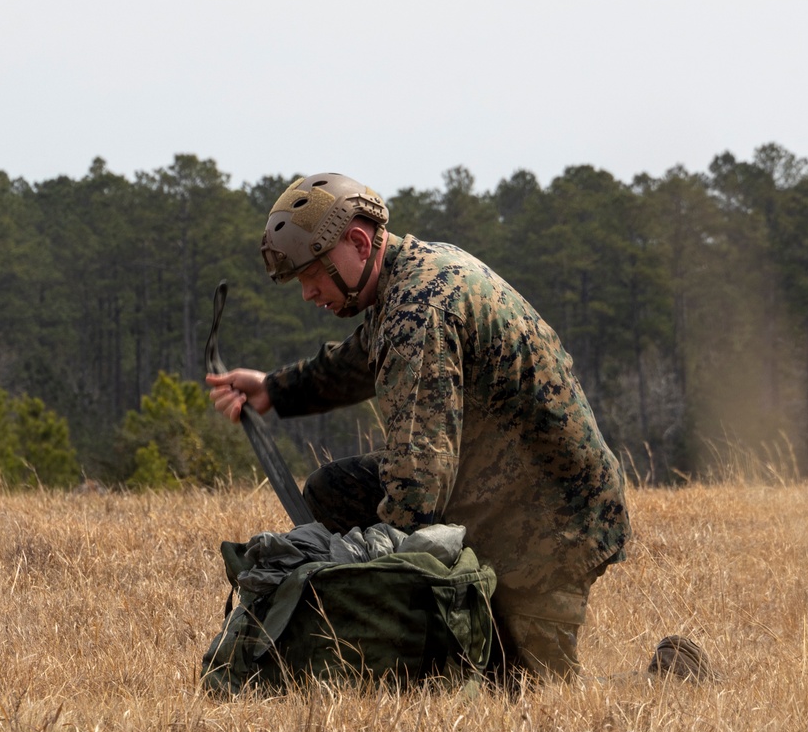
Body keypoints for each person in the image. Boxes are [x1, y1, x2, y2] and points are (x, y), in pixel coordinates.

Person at [207, 172, 631, 678]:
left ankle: (671, 675)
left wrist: (380, 594)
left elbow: (418, 480)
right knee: (333, 491)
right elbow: (357, 361)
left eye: (311, 275)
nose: (307, 293)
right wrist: (273, 390)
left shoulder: (420, 310)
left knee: (525, 689)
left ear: (359, 243)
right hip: (494, 490)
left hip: (550, 525)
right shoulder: (408, 275)